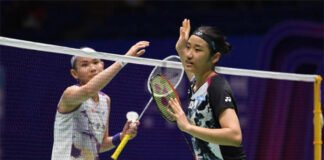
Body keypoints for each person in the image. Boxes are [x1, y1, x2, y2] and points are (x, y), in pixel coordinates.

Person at [51, 41, 150, 160]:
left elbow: (100, 145)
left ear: (102, 65)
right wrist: (124, 59)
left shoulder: (105, 100)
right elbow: (88, 91)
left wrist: (122, 136)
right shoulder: (70, 94)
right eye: (84, 65)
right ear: (74, 73)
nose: (92, 68)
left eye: (96, 62)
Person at [167, 19, 246, 160]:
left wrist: (188, 127)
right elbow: (190, 69)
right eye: (188, 47)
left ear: (215, 57)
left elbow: (235, 136)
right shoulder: (196, 84)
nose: (190, 54)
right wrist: (180, 49)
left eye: (197, 50)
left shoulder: (217, 87)